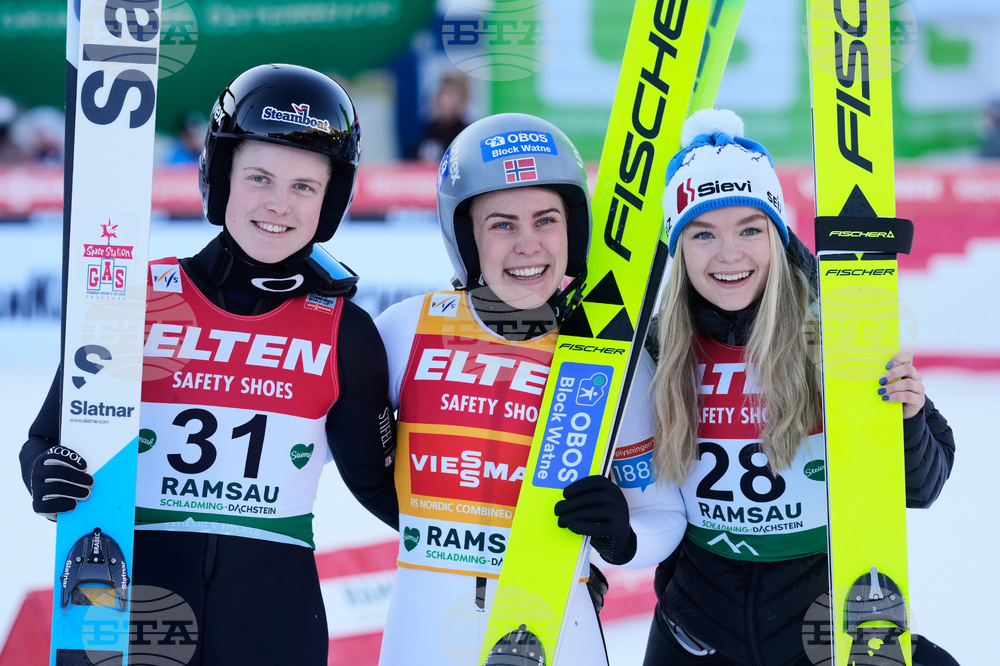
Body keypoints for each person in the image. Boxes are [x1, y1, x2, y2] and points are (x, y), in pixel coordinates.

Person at [19, 63, 397, 665]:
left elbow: (393, 490)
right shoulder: (136, 302)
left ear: (331, 201)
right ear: (219, 179)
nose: (279, 205)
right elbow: (46, 441)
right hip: (128, 600)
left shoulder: (343, 331)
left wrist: (547, 531)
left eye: (304, 187)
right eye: (259, 178)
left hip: (272, 614)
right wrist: (47, 475)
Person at [617, 109, 957, 665]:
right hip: (695, 636)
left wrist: (907, 418)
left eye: (750, 229)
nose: (730, 255)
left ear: (777, 235)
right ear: (678, 251)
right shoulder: (656, 349)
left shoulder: (832, 335)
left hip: (822, 634)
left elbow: (921, 488)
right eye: (703, 234)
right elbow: (630, 490)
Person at [374, 113, 665, 665]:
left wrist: (619, 539)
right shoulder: (405, 330)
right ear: (467, 238)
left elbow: (663, 516)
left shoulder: (608, 356)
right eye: (502, 224)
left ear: (572, 230)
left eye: (546, 220)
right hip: (423, 631)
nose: (528, 245)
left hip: (560, 626)